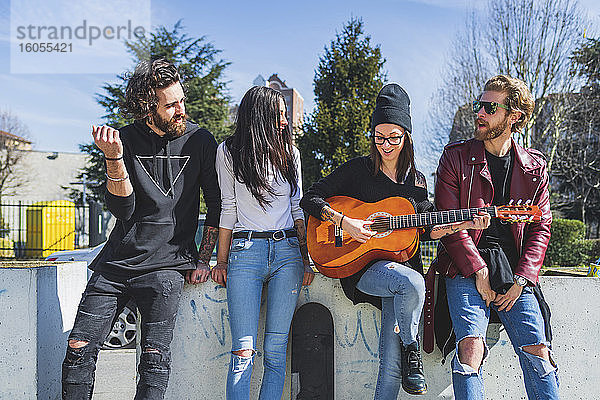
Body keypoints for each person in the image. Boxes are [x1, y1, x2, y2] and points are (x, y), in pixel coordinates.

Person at [300, 83, 489, 399]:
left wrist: (464, 222)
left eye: (393, 137)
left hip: (400, 270)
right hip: (361, 268)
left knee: (389, 369)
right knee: (414, 284)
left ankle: (403, 355)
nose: (385, 145)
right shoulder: (359, 170)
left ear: (407, 136)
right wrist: (344, 221)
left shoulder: (416, 182)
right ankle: (411, 348)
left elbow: (426, 228)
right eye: (379, 137)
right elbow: (311, 198)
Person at [61, 58, 221, 400]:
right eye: (171, 105)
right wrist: (114, 158)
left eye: (182, 101)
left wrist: (204, 259)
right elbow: (123, 209)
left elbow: (216, 204)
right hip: (116, 264)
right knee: (77, 348)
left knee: (154, 362)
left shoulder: (201, 141)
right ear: (149, 109)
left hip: (167, 266)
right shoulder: (125, 140)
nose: (181, 110)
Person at [434, 74, 558, 399]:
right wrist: (478, 270)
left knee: (539, 353)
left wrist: (521, 280)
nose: (480, 113)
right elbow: (450, 226)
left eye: (490, 107)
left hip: (514, 271)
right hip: (464, 265)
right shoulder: (455, 157)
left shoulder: (534, 168)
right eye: (479, 105)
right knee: (470, 349)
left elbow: (540, 228)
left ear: (514, 116)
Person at [211, 85, 314, 400]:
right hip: (246, 253)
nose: (285, 122)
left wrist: (306, 258)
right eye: (280, 115)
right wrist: (222, 260)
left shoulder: (290, 153)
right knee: (243, 350)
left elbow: (297, 208)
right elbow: (228, 208)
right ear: (261, 115)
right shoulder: (228, 152)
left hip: (287, 255)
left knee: (275, 350)